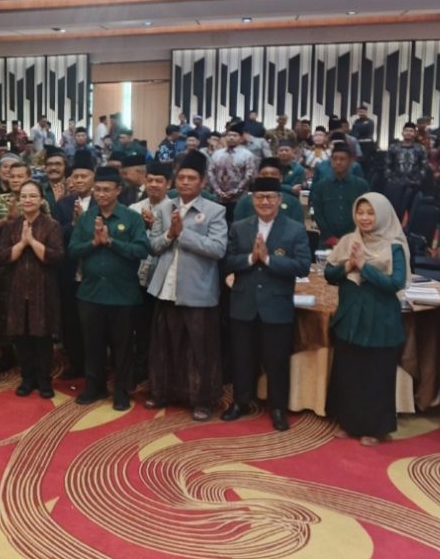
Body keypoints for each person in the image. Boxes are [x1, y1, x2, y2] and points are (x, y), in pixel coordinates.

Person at [222, 177, 311, 431]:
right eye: (259, 197)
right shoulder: (239, 227)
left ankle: (278, 408)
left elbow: (302, 266)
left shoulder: (294, 229)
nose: (265, 202)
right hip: (244, 303)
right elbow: (226, 262)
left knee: (277, 360)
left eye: (270, 197)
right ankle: (240, 402)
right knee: (242, 357)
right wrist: (251, 258)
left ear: (279, 200)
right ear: (252, 200)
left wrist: (269, 260)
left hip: (276, 306)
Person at [146, 150, 228, 420]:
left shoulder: (215, 211)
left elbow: (218, 249)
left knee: (198, 350)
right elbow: (153, 246)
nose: (185, 182)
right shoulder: (164, 207)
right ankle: (162, 392)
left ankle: (202, 400)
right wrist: (170, 235)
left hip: (197, 290)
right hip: (165, 288)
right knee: (164, 346)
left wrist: (184, 234)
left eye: (191, 178)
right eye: (181, 177)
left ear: (202, 182)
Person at [324, 193, 410, 447]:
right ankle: (348, 423)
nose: (364, 218)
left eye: (370, 213)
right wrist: (348, 266)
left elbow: (395, 283)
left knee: (376, 376)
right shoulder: (349, 241)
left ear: (382, 215)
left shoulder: (394, 246)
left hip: (380, 320)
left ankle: (375, 428)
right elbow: (329, 273)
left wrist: (365, 267)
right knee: (349, 372)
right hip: (350, 317)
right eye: (360, 212)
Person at [67, 165, 150, 410]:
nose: (101, 194)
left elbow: (142, 250)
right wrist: (94, 243)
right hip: (90, 293)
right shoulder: (86, 218)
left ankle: (121, 391)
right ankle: (95, 387)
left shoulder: (131, 218)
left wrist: (111, 242)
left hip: (123, 295)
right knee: (92, 345)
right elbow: (72, 250)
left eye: (106, 189)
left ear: (118, 190)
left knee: (122, 347)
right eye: (97, 190)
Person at [0, 179, 64, 398]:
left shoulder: (52, 225)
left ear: (42, 200)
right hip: (16, 289)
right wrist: (21, 244)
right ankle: (27, 378)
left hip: (43, 289)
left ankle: (44, 380)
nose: (27, 200)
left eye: (33, 196)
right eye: (23, 196)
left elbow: (56, 257)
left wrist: (32, 242)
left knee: (42, 337)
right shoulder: (11, 226)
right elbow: (1, 256)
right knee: (21, 336)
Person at [52, 150, 96, 379]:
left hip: (96, 272)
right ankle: (76, 363)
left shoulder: (103, 201)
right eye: (75, 177)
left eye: (84, 176)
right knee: (71, 320)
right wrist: (74, 225)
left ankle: (95, 365)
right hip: (70, 272)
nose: (79, 180)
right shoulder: (63, 205)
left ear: (93, 178)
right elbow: (57, 235)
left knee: (94, 322)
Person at [128, 163, 170, 385]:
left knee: (161, 329)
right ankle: (140, 367)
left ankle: (160, 371)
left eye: (159, 181)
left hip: (162, 279)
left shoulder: (174, 209)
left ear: (168, 184)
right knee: (139, 327)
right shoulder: (134, 209)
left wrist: (155, 228)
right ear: (144, 181)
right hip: (136, 278)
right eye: (150, 180)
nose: (153, 184)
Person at [309, 143, 370, 247]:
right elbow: (318, 213)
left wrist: (352, 236)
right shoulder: (321, 185)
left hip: (355, 239)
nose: (338, 162)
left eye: (342, 159)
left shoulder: (361, 185)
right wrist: (329, 236)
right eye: (335, 159)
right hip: (326, 240)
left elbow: (366, 212)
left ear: (350, 161)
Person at [233, 158, 304, 224]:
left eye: (273, 175)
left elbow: (298, 229)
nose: (269, 177)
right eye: (264, 174)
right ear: (258, 177)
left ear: (281, 178)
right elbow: (237, 228)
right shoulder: (244, 201)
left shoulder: (293, 202)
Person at [208, 126, 258, 220]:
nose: (231, 138)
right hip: (218, 197)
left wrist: (235, 191)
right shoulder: (217, 154)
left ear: (241, 138)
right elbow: (211, 173)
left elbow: (249, 175)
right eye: (229, 135)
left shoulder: (247, 155)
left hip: (239, 198)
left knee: (236, 222)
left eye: (235, 135)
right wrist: (218, 190)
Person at [385, 122, 430, 188]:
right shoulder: (394, 147)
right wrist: (390, 179)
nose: (408, 133)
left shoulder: (420, 148)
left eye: (411, 131)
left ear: (415, 133)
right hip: (395, 183)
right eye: (406, 130)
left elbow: (424, 166)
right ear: (402, 133)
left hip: (415, 184)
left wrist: (419, 179)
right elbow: (387, 164)